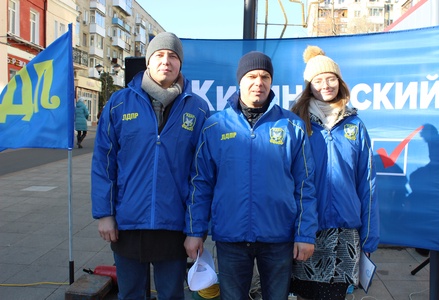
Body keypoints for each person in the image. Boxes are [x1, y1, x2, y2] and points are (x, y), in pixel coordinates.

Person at [184, 51, 318, 300]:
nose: (259, 82)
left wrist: (305, 234)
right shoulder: (216, 126)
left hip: (278, 236)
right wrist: (195, 231)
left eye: (265, 76)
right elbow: (200, 183)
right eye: (252, 76)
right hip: (231, 236)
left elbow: (305, 187)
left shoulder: (291, 126)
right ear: (240, 80)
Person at [91, 32, 210, 300]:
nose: (166, 61)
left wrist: (196, 229)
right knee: (130, 294)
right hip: (128, 223)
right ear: (148, 61)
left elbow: (201, 176)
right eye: (159, 55)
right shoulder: (119, 104)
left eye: (173, 56)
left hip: (174, 225)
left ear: (180, 64)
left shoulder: (198, 109)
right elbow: (103, 163)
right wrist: (104, 214)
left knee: (171, 295)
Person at [290, 45, 379, 300]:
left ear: (340, 82)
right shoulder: (296, 122)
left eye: (331, 78)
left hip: (345, 235)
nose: (326, 85)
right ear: (309, 86)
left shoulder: (355, 125)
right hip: (306, 230)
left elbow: (367, 183)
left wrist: (369, 238)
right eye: (318, 80)